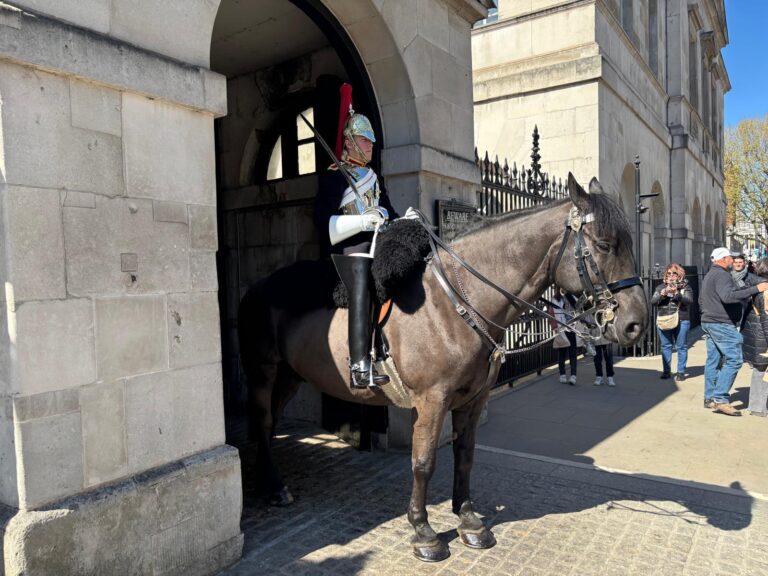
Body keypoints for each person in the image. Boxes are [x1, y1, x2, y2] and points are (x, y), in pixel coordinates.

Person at [314, 84, 399, 389]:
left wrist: (391, 217)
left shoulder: (373, 177)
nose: (371, 145)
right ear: (349, 143)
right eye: (364, 139)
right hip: (348, 252)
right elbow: (323, 221)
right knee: (363, 278)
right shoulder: (334, 175)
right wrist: (362, 220)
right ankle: (360, 364)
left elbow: (389, 209)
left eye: (372, 141)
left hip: (376, 245)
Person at [700, 247, 768, 416]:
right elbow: (727, 296)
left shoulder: (710, 274)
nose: (733, 260)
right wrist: (756, 289)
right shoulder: (722, 275)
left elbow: (703, 299)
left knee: (713, 360)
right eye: (730, 257)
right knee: (734, 360)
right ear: (723, 259)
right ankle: (720, 399)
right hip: (721, 324)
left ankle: (709, 397)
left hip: (710, 322)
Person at [651, 263, 693, 381]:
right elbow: (653, 302)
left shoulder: (686, 286)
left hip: (681, 320)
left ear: (679, 274)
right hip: (664, 320)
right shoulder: (660, 287)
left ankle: (680, 372)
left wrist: (676, 294)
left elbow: (689, 301)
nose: (671, 276)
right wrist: (662, 294)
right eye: (669, 273)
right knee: (666, 346)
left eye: (674, 273)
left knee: (681, 346)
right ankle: (666, 371)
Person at [743, 258, 768, 417]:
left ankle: (756, 406)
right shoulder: (765, 290)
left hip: (754, 335)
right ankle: (759, 408)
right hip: (762, 338)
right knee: (762, 372)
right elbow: (766, 319)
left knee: (759, 371)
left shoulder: (754, 285)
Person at [550, 291, 579, 385]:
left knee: (572, 353)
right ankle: (562, 374)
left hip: (572, 327)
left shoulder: (571, 296)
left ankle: (573, 375)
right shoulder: (556, 298)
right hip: (561, 328)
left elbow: (578, 309)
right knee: (562, 353)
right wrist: (554, 327)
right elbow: (551, 313)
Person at [591, 322, 615, 387]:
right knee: (597, 359)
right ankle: (599, 376)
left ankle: (610, 377)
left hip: (607, 337)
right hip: (595, 337)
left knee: (609, 359)